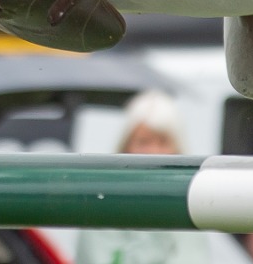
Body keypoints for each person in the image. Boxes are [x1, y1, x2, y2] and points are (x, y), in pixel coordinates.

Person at [73, 90, 207, 264]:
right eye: (144, 141)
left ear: (177, 149)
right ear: (125, 147)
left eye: (162, 142)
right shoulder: (101, 202)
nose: (153, 152)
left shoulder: (189, 204)